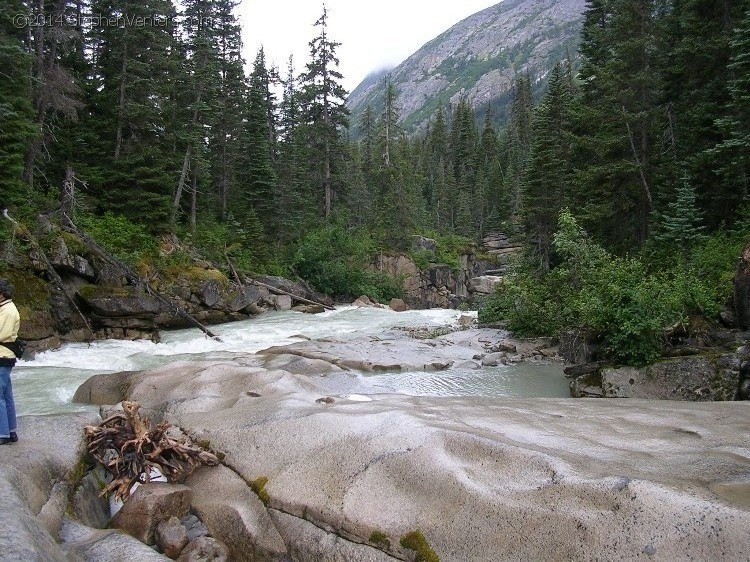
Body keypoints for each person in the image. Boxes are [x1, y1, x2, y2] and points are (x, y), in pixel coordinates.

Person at [0, 278, 20, 445]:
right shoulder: (6, 308)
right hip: (5, 356)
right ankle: (11, 430)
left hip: (2, 356)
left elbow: (2, 334)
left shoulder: (7, 311)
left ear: (2, 293)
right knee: (6, 395)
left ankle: (3, 433)